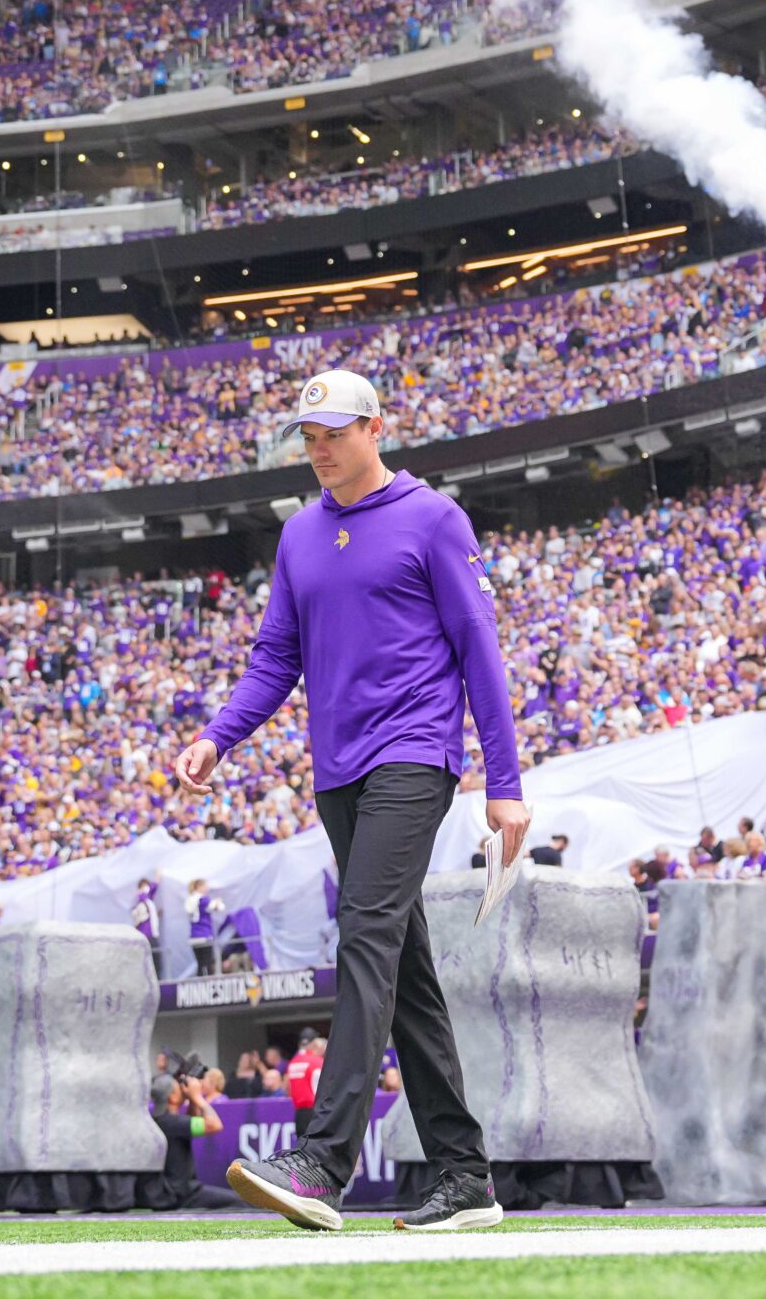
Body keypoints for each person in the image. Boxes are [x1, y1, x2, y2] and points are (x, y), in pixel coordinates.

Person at [180, 368, 528, 1233]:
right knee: (403, 971)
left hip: (414, 756)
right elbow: (274, 660)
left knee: (366, 934)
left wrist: (506, 784)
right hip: (337, 771)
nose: (320, 448)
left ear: (376, 427)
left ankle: (322, 1161)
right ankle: (463, 1176)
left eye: (334, 432)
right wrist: (218, 736)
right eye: (308, 435)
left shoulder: (433, 519)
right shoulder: (299, 536)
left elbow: (478, 645)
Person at [146, 1072, 240, 1210]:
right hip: (182, 1195)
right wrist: (197, 1097)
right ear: (172, 1097)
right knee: (241, 1202)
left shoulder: (162, 1120)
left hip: (172, 1193)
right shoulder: (172, 1122)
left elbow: (190, 1121)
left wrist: (191, 1100)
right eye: (179, 1088)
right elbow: (214, 1125)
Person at [285, 1032, 325, 1137]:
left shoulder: (293, 1062)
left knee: (302, 1148)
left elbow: (287, 1088)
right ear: (315, 1044)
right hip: (316, 1112)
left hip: (299, 1114)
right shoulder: (317, 1062)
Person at [187, 879, 223, 978]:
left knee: (200, 964)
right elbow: (218, 907)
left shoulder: (190, 899)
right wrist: (218, 901)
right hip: (204, 935)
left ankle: (199, 985)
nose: (207, 888)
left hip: (193, 936)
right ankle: (211, 986)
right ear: (199, 887)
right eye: (205, 886)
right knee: (209, 963)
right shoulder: (203, 899)